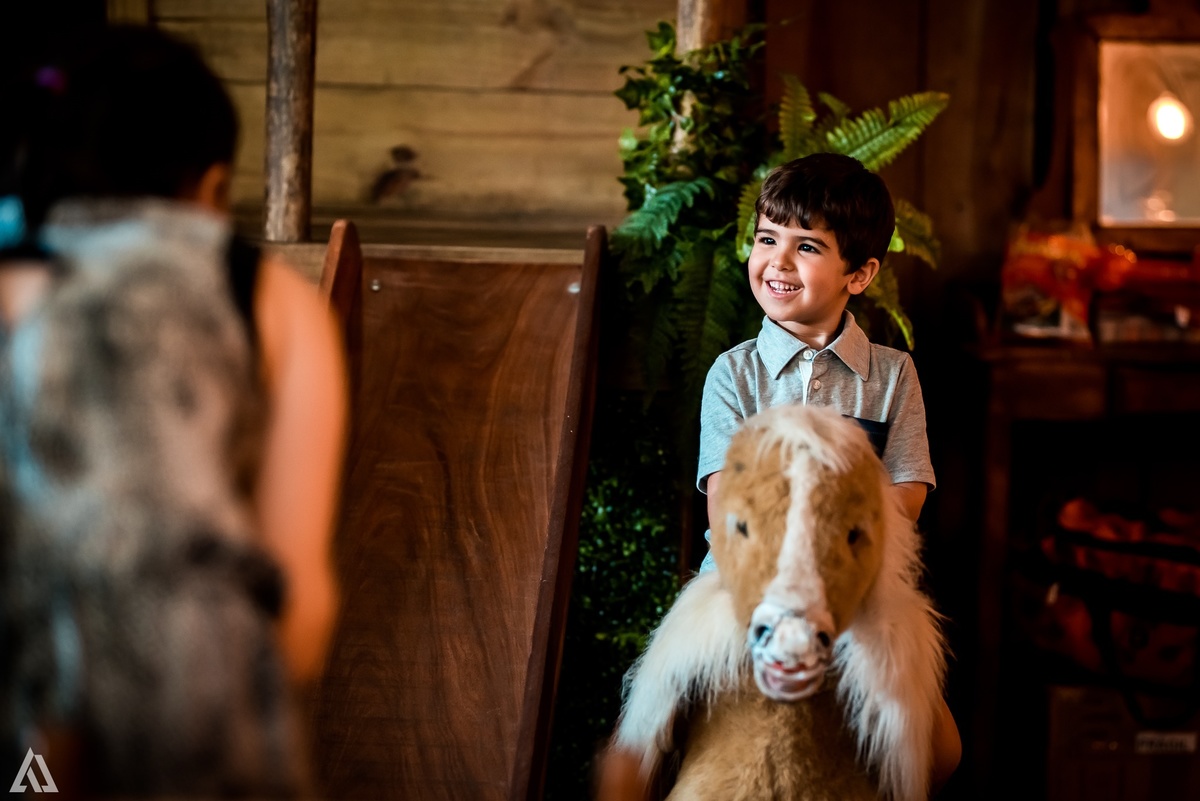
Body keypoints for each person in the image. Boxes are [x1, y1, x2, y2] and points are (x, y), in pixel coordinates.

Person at [0, 26, 346, 796]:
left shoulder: (12, 285)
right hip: (207, 724)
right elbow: (303, 601)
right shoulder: (273, 301)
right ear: (213, 182)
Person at [596, 154, 960, 799]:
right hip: (740, 582)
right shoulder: (733, 375)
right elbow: (722, 503)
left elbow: (908, 490)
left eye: (807, 246)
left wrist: (838, 542)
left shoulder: (893, 376)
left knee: (942, 751)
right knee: (646, 728)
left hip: (858, 587)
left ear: (860, 274)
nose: (778, 262)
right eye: (767, 240)